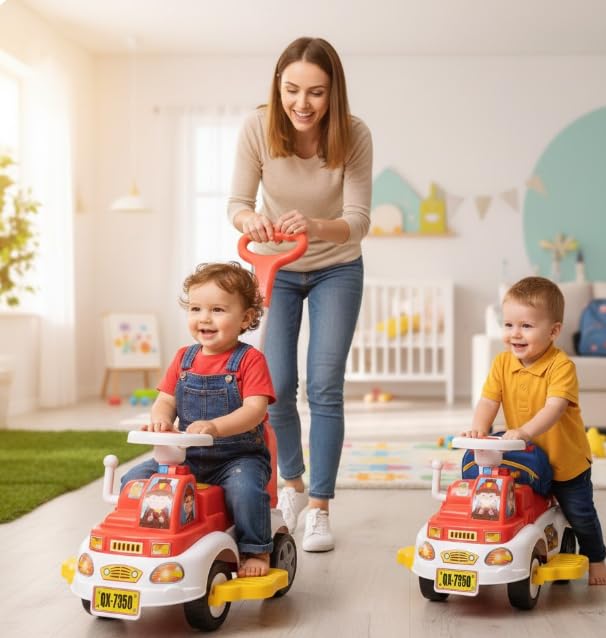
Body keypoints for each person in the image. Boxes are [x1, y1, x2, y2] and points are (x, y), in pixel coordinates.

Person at [227, 36, 372, 552]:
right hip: (277, 266)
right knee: (275, 385)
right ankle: (292, 486)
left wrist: (313, 225)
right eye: (292, 90)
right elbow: (237, 203)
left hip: (337, 266)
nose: (302, 104)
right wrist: (250, 220)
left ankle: (320, 509)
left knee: (324, 385)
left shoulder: (354, 135)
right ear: (278, 86)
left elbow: (358, 222)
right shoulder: (257, 127)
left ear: (334, 93)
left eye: (316, 92)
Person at [120, 262, 275, 577]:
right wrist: (161, 421)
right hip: (185, 458)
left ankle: (255, 549)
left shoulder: (250, 360)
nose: (204, 318)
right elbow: (165, 400)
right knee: (133, 482)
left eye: (217, 310)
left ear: (246, 318)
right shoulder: (183, 358)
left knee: (245, 490)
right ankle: (141, 539)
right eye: (196, 308)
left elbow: (255, 410)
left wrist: (216, 427)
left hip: (237, 457)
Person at [462, 276, 606, 585]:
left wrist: (525, 431)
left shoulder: (561, 366)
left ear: (553, 331)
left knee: (580, 514)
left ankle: (596, 558)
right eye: (509, 325)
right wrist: (479, 429)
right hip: (526, 460)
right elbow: (488, 401)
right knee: (513, 508)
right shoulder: (502, 363)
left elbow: (554, 408)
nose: (515, 333)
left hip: (564, 463)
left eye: (526, 326)